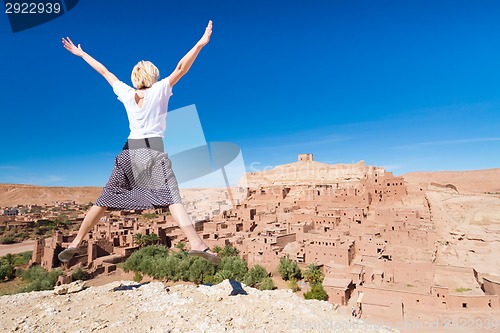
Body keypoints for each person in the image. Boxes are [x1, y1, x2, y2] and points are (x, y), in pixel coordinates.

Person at [58, 20, 220, 265]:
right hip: (152, 150)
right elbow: (181, 68)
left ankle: (75, 242)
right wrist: (200, 44)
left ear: (135, 77)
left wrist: (81, 54)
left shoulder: (125, 92)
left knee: (105, 200)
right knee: (171, 198)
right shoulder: (161, 89)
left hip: (128, 151)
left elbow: (104, 71)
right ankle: (196, 243)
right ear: (153, 75)